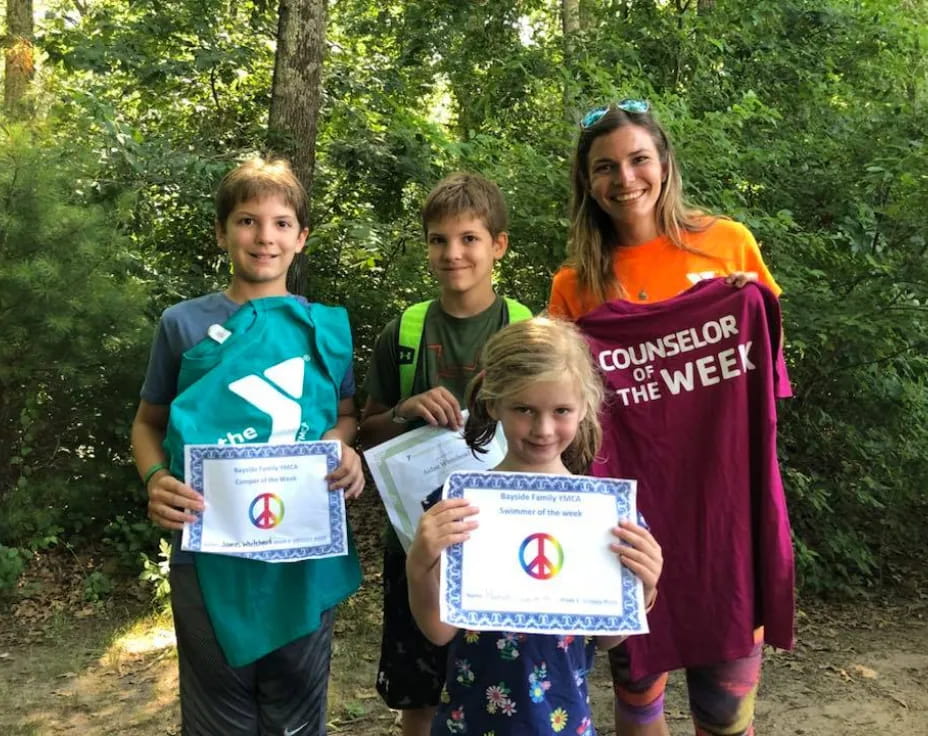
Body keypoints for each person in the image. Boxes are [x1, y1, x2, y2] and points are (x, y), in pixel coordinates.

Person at [548, 100, 791, 736]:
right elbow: (561, 400)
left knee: (726, 711)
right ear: (588, 183)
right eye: (605, 168)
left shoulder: (728, 244)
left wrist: (750, 303)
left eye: (637, 160)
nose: (624, 178)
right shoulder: (575, 284)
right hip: (626, 524)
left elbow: (769, 374)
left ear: (664, 164)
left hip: (723, 519)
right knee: (637, 701)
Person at [130, 157, 364, 735]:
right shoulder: (182, 324)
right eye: (247, 221)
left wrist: (343, 450)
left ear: (302, 237)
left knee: (297, 714)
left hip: (304, 547)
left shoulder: (327, 327)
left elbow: (346, 415)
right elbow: (146, 424)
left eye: (282, 223)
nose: (265, 237)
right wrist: (157, 479)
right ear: (221, 231)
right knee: (217, 718)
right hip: (207, 550)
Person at [406, 317, 663, 736]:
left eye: (560, 411)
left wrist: (644, 590)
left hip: (562, 722)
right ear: (493, 403)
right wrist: (418, 565)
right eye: (524, 409)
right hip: (470, 722)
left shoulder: (607, 516)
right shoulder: (457, 507)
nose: (543, 429)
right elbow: (438, 630)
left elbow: (609, 640)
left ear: (584, 407)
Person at [359, 172, 531, 736]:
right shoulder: (404, 331)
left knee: (506, 691)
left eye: (469, 238)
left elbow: (562, 434)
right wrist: (407, 409)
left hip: (509, 541)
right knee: (420, 696)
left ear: (497, 245)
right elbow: (367, 431)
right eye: (439, 239)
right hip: (419, 544)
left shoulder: (527, 332)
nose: (452, 253)